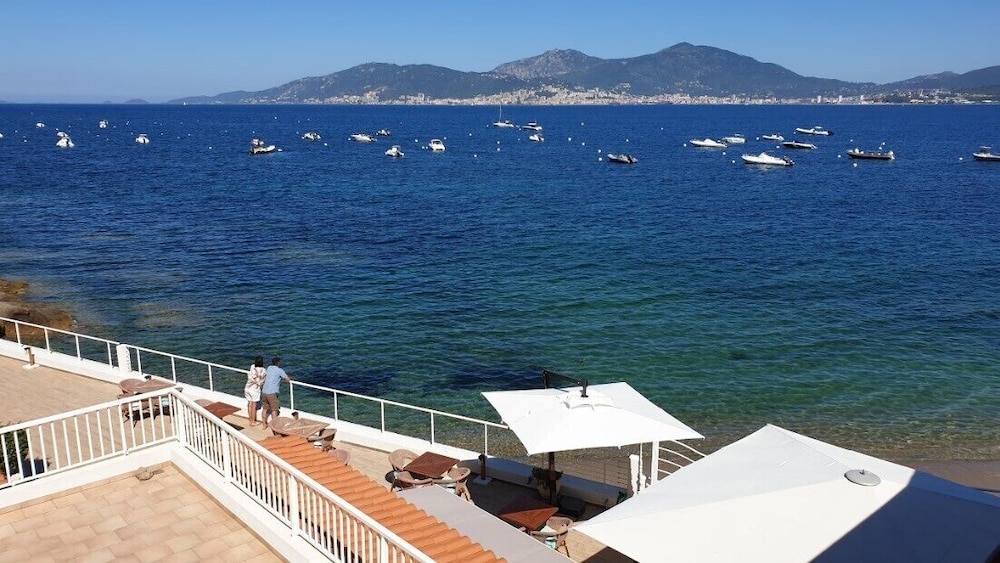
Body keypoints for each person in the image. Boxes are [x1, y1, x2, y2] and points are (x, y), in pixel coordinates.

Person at [261, 356, 290, 430]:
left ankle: (264, 425)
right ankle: (274, 428)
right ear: (278, 363)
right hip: (272, 393)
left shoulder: (269, 368)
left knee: (265, 409)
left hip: (264, 391)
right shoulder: (280, 370)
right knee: (274, 410)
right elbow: (287, 379)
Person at [244, 356, 266, 427]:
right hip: (255, 389)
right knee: (254, 405)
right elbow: (263, 380)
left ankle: (250, 420)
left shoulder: (252, 367)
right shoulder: (264, 370)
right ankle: (253, 422)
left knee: (249, 404)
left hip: (248, 387)